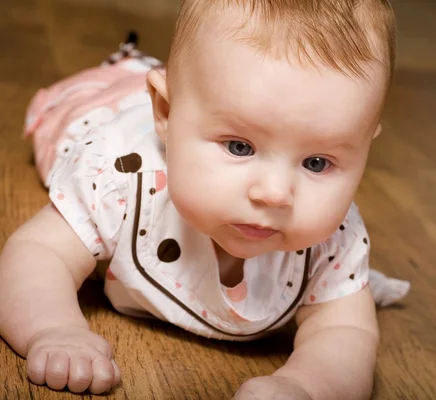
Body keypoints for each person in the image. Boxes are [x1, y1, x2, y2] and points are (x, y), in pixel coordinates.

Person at [0, 0, 410, 398]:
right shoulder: (117, 172)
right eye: (238, 147)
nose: (273, 193)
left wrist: (307, 386)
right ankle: (128, 69)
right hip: (102, 109)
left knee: (205, 86)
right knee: (92, 94)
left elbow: (345, 330)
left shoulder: (336, 237)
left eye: (317, 162)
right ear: (165, 111)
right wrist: (54, 329)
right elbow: (38, 251)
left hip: (193, 99)